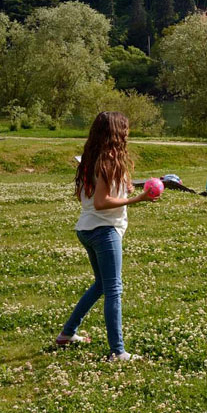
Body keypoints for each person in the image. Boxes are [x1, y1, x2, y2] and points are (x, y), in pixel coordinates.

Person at [56, 111, 160, 360]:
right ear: (116, 132)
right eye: (125, 129)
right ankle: (118, 351)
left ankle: (67, 334)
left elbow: (88, 196)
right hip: (103, 230)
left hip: (87, 228)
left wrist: (124, 188)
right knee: (114, 288)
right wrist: (139, 198)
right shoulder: (107, 161)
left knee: (102, 285)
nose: (128, 133)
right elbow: (102, 202)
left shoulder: (92, 159)